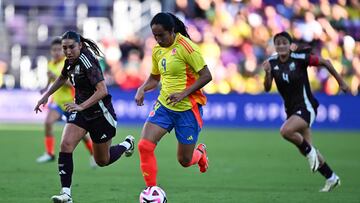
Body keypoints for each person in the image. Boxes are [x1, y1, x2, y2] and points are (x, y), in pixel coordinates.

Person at [34, 31, 135, 203]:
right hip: (81, 112)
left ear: (80, 45)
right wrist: (46, 95)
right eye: (64, 48)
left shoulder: (88, 62)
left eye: (71, 47)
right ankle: (66, 194)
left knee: (102, 160)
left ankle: (127, 143)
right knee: (66, 144)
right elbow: (62, 77)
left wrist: (81, 105)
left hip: (101, 114)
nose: (67, 51)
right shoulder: (70, 61)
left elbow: (103, 91)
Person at [263, 31, 351, 192]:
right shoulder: (272, 62)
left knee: (286, 131)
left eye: (284, 42)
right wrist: (268, 73)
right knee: (308, 149)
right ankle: (332, 178)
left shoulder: (299, 58)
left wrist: (341, 83)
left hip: (306, 106)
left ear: (290, 45)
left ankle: (311, 152)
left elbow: (326, 62)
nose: (281, 45)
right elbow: (267, 88)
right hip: (291, 110)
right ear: (275, 46)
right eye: (278, 43)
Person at [135, 12, 212, 189]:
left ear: (172, 31)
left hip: (187, 109)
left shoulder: (187, 47)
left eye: (161, 35)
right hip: (164, 106)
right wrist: (142, 88)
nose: (158, 39)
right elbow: (154, 78)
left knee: (184, 160)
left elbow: (206, 76)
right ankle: (151, 192)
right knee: (144, 146)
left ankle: (199, 154)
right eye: (155, 36)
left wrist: (184, 93)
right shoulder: (157, 50)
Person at [36, 37, 96, 168]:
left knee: (82, 136)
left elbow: (73, 84)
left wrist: (56, 79)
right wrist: (45, 88)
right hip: (57, 103)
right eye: (54, 50)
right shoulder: (51, 63)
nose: (56, 52)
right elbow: (51, 81)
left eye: (59, 49)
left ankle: (93, 154)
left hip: (71, 103)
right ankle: (50, 153)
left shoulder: (69, 63)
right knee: (47, 122)